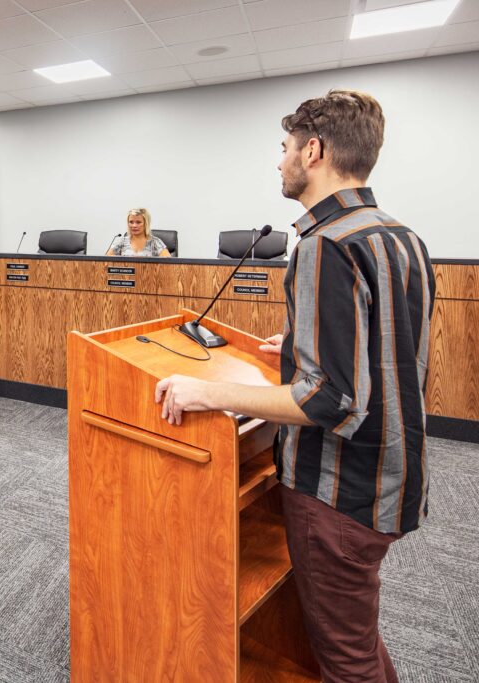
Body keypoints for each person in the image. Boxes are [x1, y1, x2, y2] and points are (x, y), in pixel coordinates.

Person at [154, 90, 434, 682]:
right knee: (355, 636)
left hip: (339, 492)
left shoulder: (324, 244)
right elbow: (392, 350)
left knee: (345, 658)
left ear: (313, 150)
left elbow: (329, 400)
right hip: (393, 474)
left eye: (284, 148)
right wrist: (304, 346)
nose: (279, 161)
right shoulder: (398, 235)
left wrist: (207, 393)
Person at [105, 208, 170, 257]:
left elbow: (169, 264)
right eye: (131, 222)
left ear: (146, 224)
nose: (134, 226)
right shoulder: (122, 241)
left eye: (138, 222)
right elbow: (106, 261)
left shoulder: (155, 242)